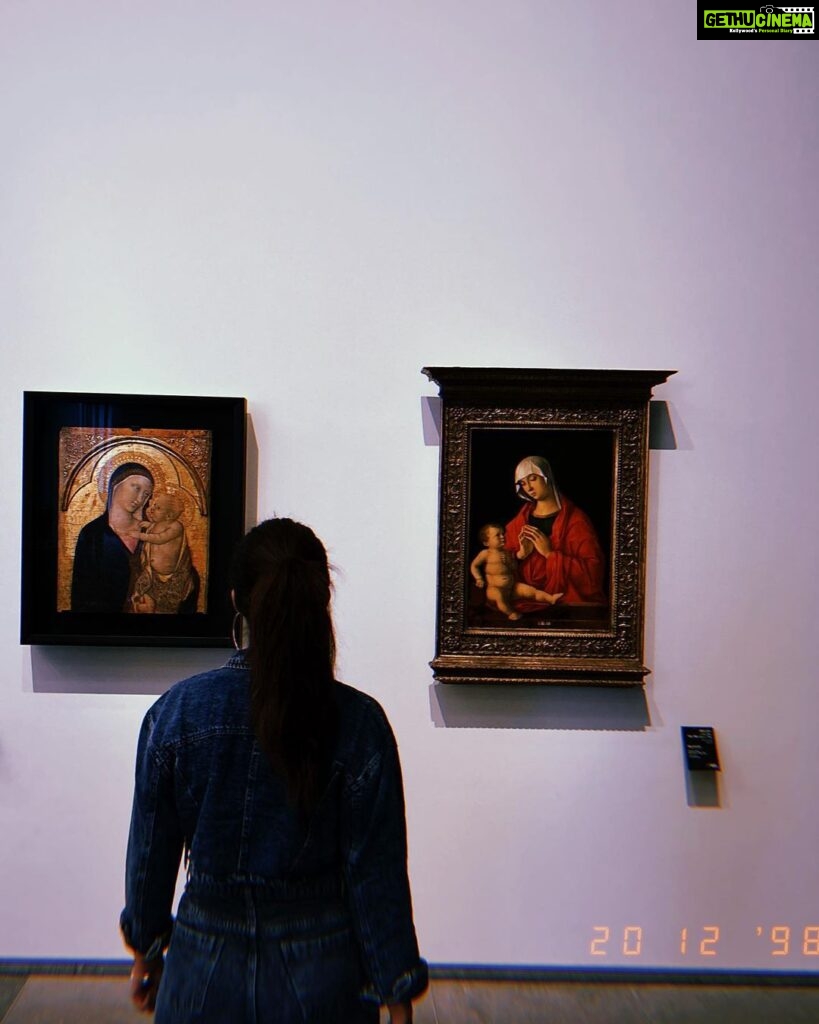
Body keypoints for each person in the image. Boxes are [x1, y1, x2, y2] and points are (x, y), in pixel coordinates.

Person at [120, 517, 428, 1023]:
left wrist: (146, 952)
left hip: (201, 967)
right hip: (322, 973)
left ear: (237, 599)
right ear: (321, 599)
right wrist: (395, 990)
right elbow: (375, 874)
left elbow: (151, 854)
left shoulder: (176, 712)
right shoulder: (360, 723)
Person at [504, 456, 607, 610]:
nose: (529, 488)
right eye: (523, 483)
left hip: (567, 602)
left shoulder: (576, 521)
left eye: (533, 479)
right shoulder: (517, 524)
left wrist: (550, 554)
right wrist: (519, 555)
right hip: (525, 601)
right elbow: (499, 567)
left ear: (547, 476)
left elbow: (593, 574)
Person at [70, 462, 154, 612]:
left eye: (146, 494)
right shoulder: (93, 534)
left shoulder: (152, 532)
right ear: (115, 485)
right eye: (136, 487)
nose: (140, 498)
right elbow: (82, 590)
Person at [470, 522, 562, 620]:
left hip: (511, 588)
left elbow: (513, 567)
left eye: (502, 534)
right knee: (500, 598)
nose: (502, 537)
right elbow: (474, 566)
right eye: (497, 535)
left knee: (530, 590)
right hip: (495, 590)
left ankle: (550, 598)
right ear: (486, 543)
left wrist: (512, 561)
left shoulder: (507, 552)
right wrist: (478, 578)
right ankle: (511, 613)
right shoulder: (485, 554)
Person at [129, 490, 199, 614]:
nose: (152, 509)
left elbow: (160, 538)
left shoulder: (176, 527)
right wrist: (149, 525)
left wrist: (141, 536)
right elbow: (155, 529)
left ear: (169, 515)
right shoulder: (157, 524)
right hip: (151, 573)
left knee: (166, 605)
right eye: (153, 505)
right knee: (142, 592)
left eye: (158, 508)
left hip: (169, 576)